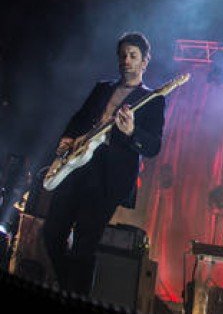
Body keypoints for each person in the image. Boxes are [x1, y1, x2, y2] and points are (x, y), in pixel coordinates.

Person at [42, 32, 165, 294]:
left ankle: (76, 294)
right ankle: (69, 288)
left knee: (84, 246)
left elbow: (153, 146)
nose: (126, 60)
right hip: (76, 168)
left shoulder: (153, 99)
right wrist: (67, 138)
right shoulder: (102, 87)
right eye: (122, 55)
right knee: (51, 233)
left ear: (145, 62)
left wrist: (132, 132)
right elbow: (80, 118)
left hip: (108, 179)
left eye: (133, 56)